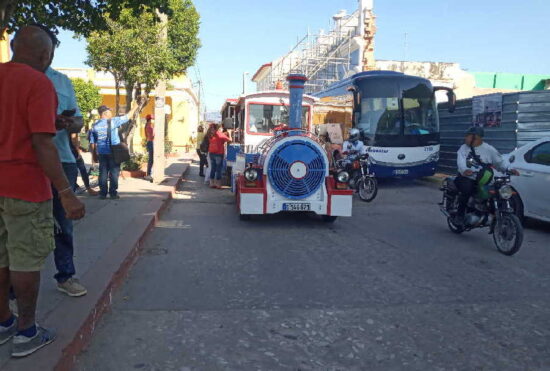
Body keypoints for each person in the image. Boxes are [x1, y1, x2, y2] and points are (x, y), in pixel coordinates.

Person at [0, 25, 85, 358]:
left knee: (2, 255)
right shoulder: (39, 83)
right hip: (27, 185)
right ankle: (27, 332)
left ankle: (5, 321)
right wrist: (66, 191)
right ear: (45, 54)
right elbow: (41, 142)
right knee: (25, 258)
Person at [32, 24, 90, 297]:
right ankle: (10, 290)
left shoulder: (62, 81)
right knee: (21, 225)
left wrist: (69, 122)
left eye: (51, 50)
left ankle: (65, 275)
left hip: (62, 159)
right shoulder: (14, 77)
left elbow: (78, 121)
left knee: (63, 222)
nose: (48, 55)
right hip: (25, 162)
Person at [454, 126, 519, 225]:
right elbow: (461, 161)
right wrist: (465, 170)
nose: (466, 138)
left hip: (484, 178)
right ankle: (460, 214)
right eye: (467, 136)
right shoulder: (463, 148)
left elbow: (499, 162)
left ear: (478, 137)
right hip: (466, 177)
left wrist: (509, 169)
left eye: (469, 136)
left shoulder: (489, 149)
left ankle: (489, 212)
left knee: (496, 190)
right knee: (466, 190)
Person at [89, 104, 139, 199]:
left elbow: (93, 143)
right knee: (114, 173)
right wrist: (135, 106)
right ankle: (113, 193)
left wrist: (94, 155)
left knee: (103, 173)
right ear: (105, 113)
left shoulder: (94, 125)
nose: (111, 113)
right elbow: (128, 116)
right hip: (113, 152)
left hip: (101, 153)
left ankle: (103, 194)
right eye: (109, 111)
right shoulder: (113, 121)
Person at [208, 124, 232, 189]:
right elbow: (230, 140)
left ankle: (211, 183)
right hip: (218, 154)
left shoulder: (210, 134)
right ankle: (218, 184)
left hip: (211, 153)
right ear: (217, 129)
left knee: (213, 168)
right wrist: (229, 133)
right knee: (218, 169)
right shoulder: (220, 134)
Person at [144, 114, 154, 181]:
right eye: (152, 119)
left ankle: (149, 173)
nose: (153, 120)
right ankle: (149, 174)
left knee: (151, 159)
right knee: (151, 159)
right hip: (151, 143)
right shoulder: (149, 126)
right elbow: (152, 136)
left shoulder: (148, 126)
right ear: (150, 119)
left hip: (150, 142)